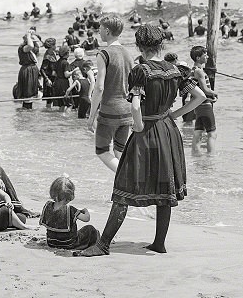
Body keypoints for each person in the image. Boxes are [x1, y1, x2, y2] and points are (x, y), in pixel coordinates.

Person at [76, 24, 205, 256]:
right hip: (168, 130)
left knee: (123, 187)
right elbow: (200, 96)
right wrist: (173, 115)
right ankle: (159, 243)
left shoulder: (141, 71)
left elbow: (135, 105)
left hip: (146, 130)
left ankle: (103, 244)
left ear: (139, 46)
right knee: (165, 188)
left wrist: (138, 124)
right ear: (160, 44)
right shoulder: (175, 70)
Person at [87, 15, 133, 172]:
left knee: (102, 150)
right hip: (127, 110)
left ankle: (128, 177)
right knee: (120, 151)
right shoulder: (128, 53)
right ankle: (125, 192)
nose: (98, 32)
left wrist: (91, 116)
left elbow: (99, 88)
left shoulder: (103, 54)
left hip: (109, 110)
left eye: (100, 29)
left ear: (107, 30)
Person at [39, 176, 99, 250]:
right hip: (69, 243)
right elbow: (86, 219)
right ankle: (93, 242)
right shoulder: (70, 209)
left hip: (51, 242)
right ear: (70, 195)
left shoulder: (48, 206)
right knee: (90, 229)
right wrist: (86, 211)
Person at [184, 46, 218, 155]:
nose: (207, 57)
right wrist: (214, 93)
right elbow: (205, 89)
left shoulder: (193, 70)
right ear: (198, 58)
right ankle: (211, 156)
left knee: (198, 131)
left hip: (198, 105)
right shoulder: (199, 72)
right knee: (212, 133)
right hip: (205, 105)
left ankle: (195, 154)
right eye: (205, 55)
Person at [14, 31, 42, 109]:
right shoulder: (23, 48)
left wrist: (33, 36)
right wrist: (28, 36)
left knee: (31, 95)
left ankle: (27, 114)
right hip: (27, 71)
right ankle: (26, 112)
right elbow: (31, 45)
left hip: (32, 71)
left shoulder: (30, 49)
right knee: (27, 94)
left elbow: (38, 45)